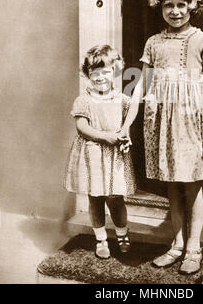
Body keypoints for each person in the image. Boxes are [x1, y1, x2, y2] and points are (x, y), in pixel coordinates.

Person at [119, 0, 203, 274]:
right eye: (168, 5)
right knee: (173, 188)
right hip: (161, 123)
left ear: (193, 5)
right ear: (159, 6)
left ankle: (193, 248)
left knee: (194, 185)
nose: (175, 11)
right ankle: (176, 245)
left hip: (192, 123)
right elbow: (139, 85)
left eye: (181, 4)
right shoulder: (152, 42)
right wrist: (126, 124)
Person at [64, 45, 136, 259]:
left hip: (114, 156)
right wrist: (106, 136)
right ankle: (101, 239)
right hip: (92, 154)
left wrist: (125, 137)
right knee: (95, 198)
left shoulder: (121, 99)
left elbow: (127, 122)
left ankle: (122, 234)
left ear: (115, 72)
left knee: (115, 198)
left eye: (105, 72)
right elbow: (82, 128)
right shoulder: (83, 100)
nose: (100, 77)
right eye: (94, 73)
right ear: (87, 74)